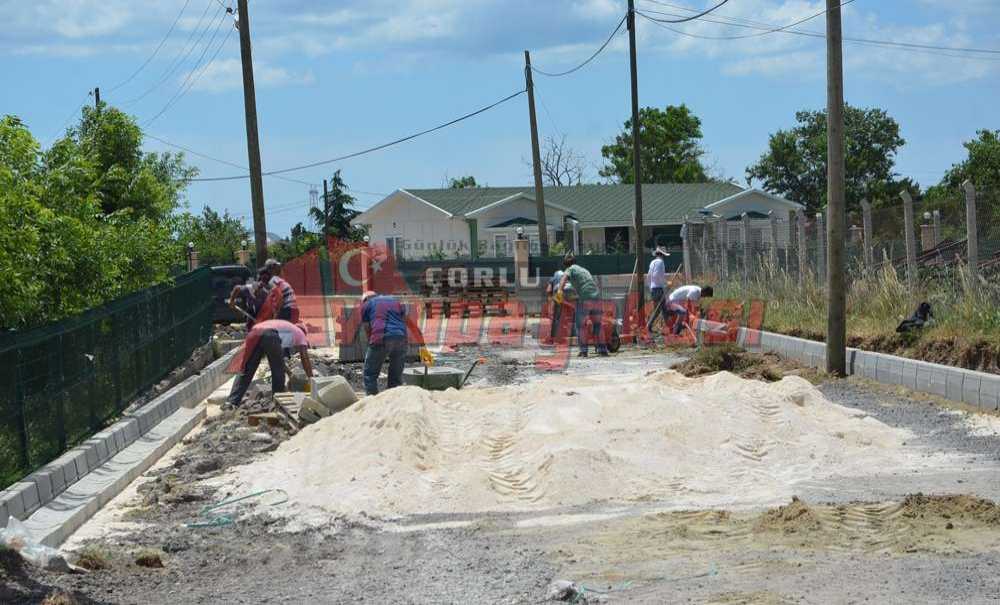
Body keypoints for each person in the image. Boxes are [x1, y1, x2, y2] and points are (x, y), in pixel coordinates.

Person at [227, 319, 313, 408]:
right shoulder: (300, 333)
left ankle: (232, 402)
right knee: (278, 371)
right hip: (270, 334)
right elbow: (304, 357)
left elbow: (278, 359)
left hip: (254, 332)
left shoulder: (286, 330)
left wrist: (289, 373)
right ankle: (277, 402)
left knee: (247, 369)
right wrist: (311, 378)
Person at [360, 291, 411, 395]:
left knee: (369, 373)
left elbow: (367, 327)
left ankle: (372, 400)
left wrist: (372, 343)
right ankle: (393, 400)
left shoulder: (367, 304)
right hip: (401, 338)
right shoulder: (395, 302)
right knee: (395, 376)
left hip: (381, 337)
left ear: (365, 299)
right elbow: (403, 321)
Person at [557, 254, 608, 357]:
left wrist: (559, 291)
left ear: (566, 265)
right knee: (598, 325)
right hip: (596, 297)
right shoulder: (584, 270)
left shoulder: (570, 269)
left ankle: (583, 351)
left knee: (581, 326)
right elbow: (587, 284)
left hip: (585, 299)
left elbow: (564, 278)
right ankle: (603, 350)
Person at [260, 258, 299, 323]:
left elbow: (279, 297)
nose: (279, 268)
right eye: (276, 267)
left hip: (287, 311)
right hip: (295, 310)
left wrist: (276, 314)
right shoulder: (280, 280)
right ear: (272, 268)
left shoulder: (273, 281)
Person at [645, 246, 671, 335]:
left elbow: (648, 276)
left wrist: (650, 287)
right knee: (663, 309)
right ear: (662, 255)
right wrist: (666, 283)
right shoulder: (661, 262)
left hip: (653, 289)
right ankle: (669, 328)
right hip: (658, 288)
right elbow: (657, 275)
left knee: (657, 310)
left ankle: (648, 326)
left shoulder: (652, 262)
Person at [545, 269, 575, 340]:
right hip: (571, 291)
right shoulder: (568, 276)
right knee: (570, 313)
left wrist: (551, 304)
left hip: (559, 291)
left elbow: (548, 290)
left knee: (554, 315)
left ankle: (552, 335)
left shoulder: (553, 278)